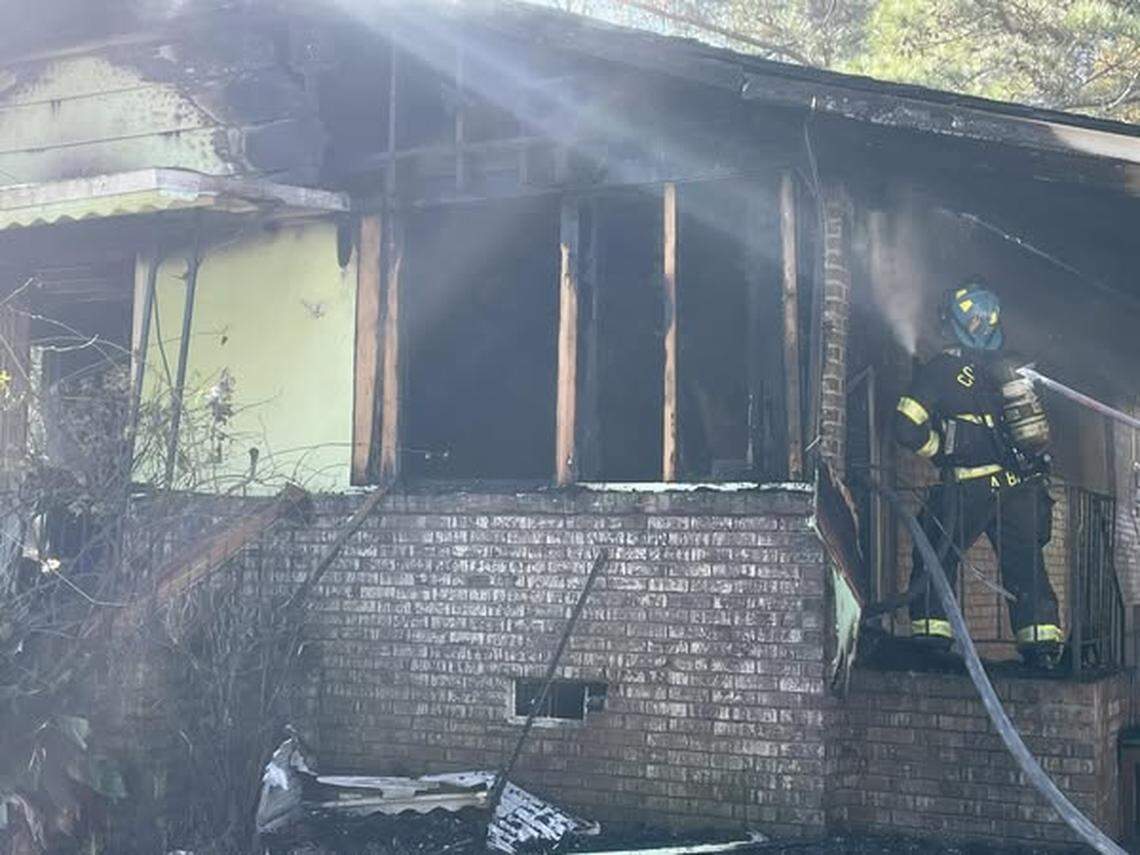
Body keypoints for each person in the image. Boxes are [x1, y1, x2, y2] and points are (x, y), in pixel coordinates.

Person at [893, 281, 1063, 668]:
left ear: (954, 323)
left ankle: (932, 643)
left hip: (967, 488)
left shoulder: (940, 371)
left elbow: (904, 426)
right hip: (1020, 489)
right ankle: (1041, 649)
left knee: (933, 553)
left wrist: (939, 449)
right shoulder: (1013, 374)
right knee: (1026, 567)